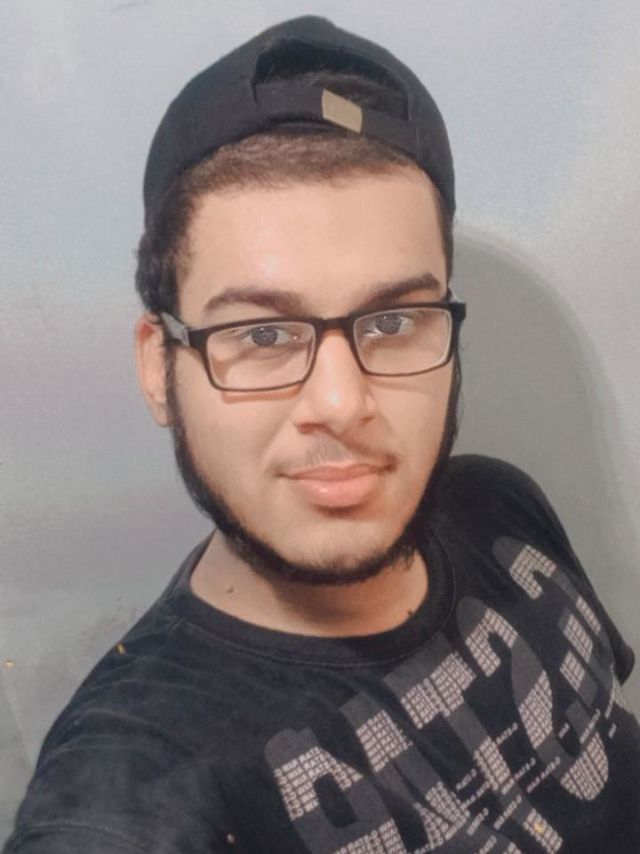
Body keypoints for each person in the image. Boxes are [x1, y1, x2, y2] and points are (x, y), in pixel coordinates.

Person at [5, 15, 639, 854]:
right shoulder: (128, 801)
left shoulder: (499, 505)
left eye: (394, 320)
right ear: (160, 367)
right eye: (263, 334)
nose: (341, 404)